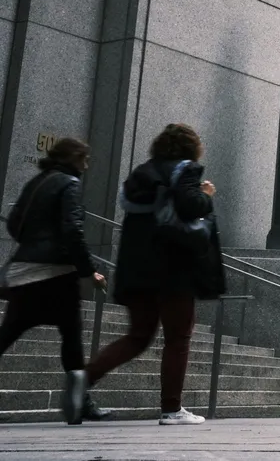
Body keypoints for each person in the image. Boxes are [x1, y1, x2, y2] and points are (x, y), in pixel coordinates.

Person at [85, 124, 226, 425]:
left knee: (137, 336)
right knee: (178, 338)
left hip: (137, 270)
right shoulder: (186, 170)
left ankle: (82, 379)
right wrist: (206, 194)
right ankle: (172, 409)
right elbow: (190, 206)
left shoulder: (143, 174)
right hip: (173, 269)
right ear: (191, 147)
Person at [0, 138, 109, 424]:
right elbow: (72, 230)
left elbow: (13, 223)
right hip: (56, 275)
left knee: (8, 332)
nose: (86, 165)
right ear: (74, 158)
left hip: (25, 272)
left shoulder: (38, 182)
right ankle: (80, 402)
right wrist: (89, 270)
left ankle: (82, 401)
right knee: (72, 336)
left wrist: (34, 245)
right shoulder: (69, 184)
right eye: (84, 159)